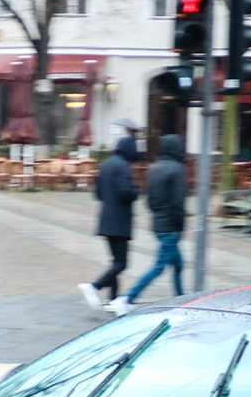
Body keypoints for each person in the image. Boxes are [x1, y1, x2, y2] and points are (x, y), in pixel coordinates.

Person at [114, 134, 190, 311]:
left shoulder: (153, 169)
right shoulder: (177, 169)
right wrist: (179, 225)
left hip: (158, 224)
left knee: (178, 264)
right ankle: (127, 298)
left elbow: (147, 200)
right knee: (159, 267)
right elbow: (179, 201)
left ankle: (181, 298)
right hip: (171, 226)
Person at [81, 131, 142, 313]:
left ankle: (114, 299)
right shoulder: (123, 166)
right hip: (119, 221)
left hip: (106, 219)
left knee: (115, 261)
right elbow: (125, 192)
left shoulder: (106, 164)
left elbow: (98, 193)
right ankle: (95, 286)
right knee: (122, 263)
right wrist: (135, 191)